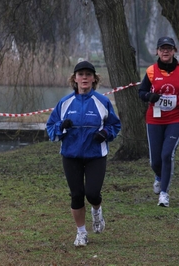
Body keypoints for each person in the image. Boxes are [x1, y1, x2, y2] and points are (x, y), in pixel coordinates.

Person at [46, 61, 121, 247]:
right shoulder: (65, 103)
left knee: (92, 193)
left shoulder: (102, 102)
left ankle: (97, 211)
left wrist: (105, 134)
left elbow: (115, 125)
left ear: (94, 79)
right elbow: (50, 128)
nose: (84, 77)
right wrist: (60, 128)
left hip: (96, 154)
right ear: (75, 79)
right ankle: (81, 233)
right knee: (77, 194)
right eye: (81, 74)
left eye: (88, 74)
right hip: (71, 155)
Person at [138, 37, 179, 207]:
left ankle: (164, 194)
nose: (165, 51)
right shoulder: (151, 71)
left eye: (169, 48)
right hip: (155, 118)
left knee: (167, 154)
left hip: (175, 117)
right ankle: (159, 176)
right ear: (157, 51)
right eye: (162, 48)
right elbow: (141, 92)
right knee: (154, 161)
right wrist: (149, 96)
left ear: (174, 51)